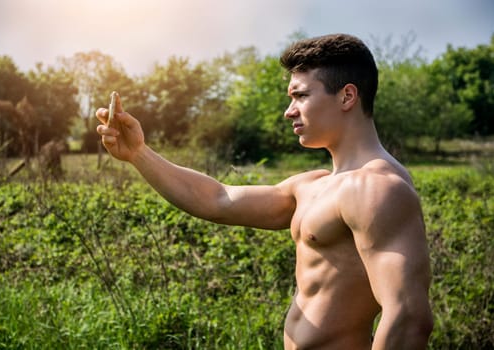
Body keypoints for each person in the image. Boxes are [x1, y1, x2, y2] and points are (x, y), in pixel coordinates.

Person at [96, 33, 433, 349]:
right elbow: (218, 200)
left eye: (301, 96)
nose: (289, 111)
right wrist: (139, 154)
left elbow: (408, 317)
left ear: (346, 96)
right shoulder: (313, 185)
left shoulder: (377, 188)